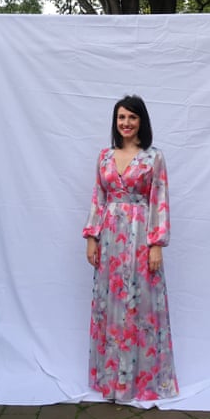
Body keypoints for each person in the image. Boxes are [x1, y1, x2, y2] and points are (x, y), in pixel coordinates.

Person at [83, 95, 179, 402]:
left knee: (141, 306)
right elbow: (98, 198)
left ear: (141, 121)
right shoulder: (104, 157)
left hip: (140, 238)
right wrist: (91, 237)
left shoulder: (154, 158)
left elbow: (159, 201)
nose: (125, 123)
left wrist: (156, 244)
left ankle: (143, 382)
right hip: (110, 238)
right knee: (111, 306)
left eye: (132, 118)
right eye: (121, 117)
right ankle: (111, 382)